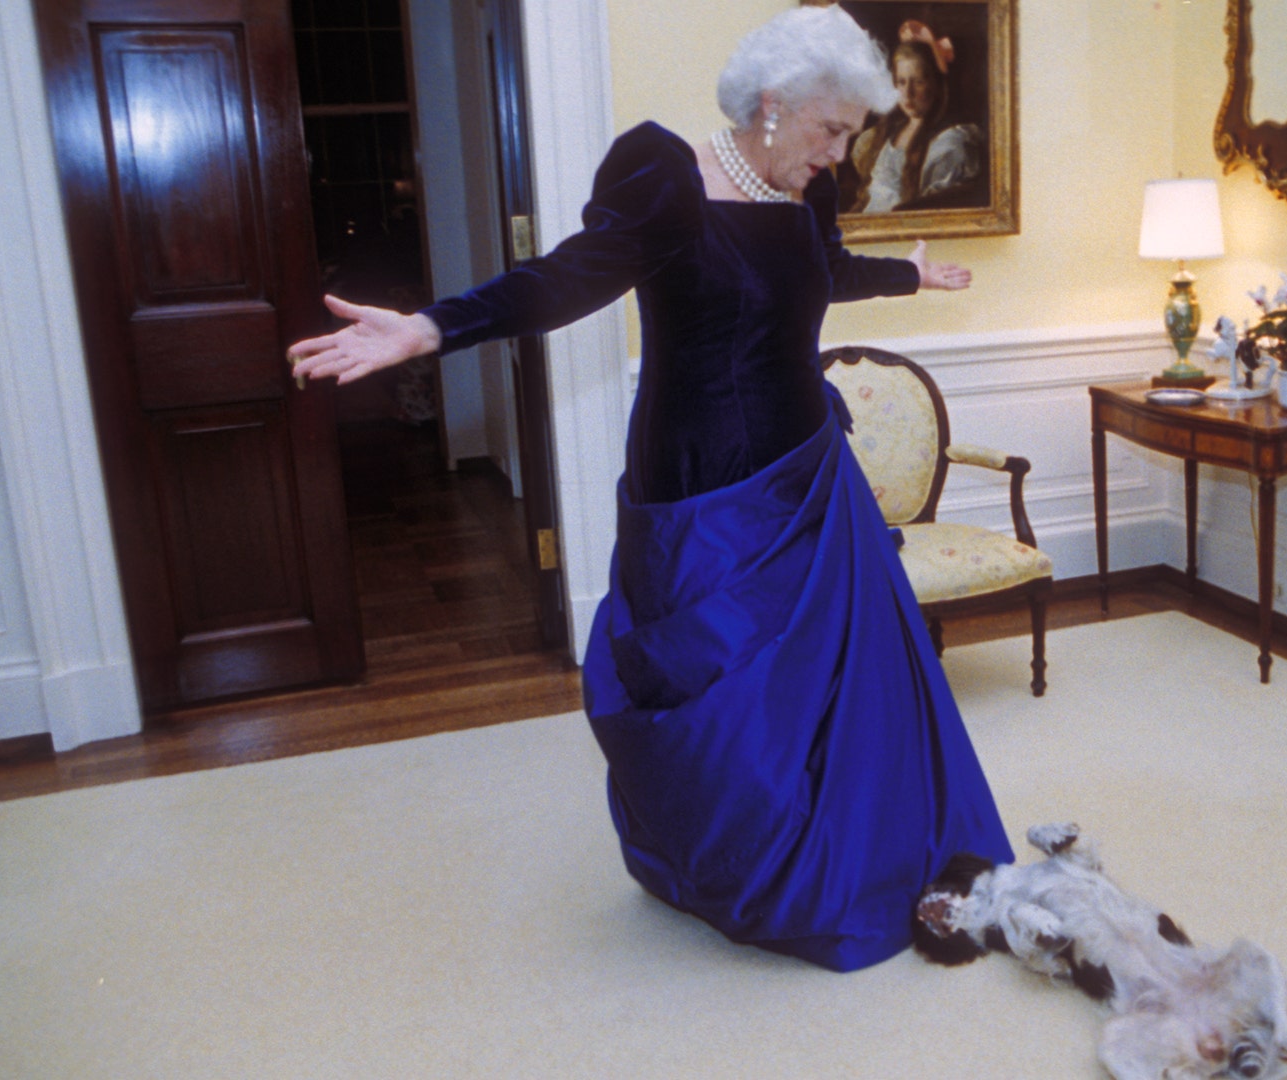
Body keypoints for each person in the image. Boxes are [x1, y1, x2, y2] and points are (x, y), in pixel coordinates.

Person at [286, 6, 1013, 973]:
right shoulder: (662, 175)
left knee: (839, 691)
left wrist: (908, 275)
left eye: (850, 137)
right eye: (831, 131)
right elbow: (564, 280)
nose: (841, 156)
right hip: (699, 487)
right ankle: (733, 864)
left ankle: (839, 853)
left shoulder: (807, 192)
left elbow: (822, 270)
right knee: (722, 699)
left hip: (807, 473)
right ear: (772, 105)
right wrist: (427, 330)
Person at [842, 21, 987, 213]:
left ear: (936, 85)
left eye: (918, 82)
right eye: (901, 82)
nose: (908, 93)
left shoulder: (949, 143)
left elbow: (931, 210)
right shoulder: (889, 131)